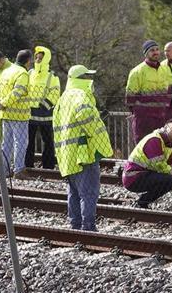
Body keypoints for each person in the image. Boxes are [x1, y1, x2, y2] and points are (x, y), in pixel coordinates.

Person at [53, 65, 113, 231]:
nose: (90, 79)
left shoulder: (64, 97)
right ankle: (88, 227)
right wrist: (94, 133)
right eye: (87, 76)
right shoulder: (80, 94)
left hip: (67, 153)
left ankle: (75, 225)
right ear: (81, 78)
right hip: (83, 152)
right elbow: (84, 114)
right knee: (89, 192)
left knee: (74, 192)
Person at [122, 119, 172, 208]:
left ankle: (142, 202)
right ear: (166, 127)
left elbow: (171, 170)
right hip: (132, 177)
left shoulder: (169, 145)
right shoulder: (155, 140)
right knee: (169, 180)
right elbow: (161, 167)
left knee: (170, 179)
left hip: (143, 175)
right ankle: (142, 202)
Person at [0, 49, 33, 178]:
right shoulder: (23, 73)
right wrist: (4, 103)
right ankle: (19, 170)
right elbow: (17, 93)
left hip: (5, 114)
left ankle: (4, 170)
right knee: (21, 142)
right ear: (28, 61)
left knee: (7, 143)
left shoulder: (7, 71)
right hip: (19, 114)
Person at [125, 40, 171, 143]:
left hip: (161, 117)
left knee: (161, 147)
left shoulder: (164, 70)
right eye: (152, 50)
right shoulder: (137, 71)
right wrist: (139, 112)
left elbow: (167, 93)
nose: (155, 52)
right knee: (143, 148)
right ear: (146, 54)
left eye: (157, 49)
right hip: (144, 119)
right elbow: (130, 98)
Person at [25, 46, 60, 170]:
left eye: (41, 57)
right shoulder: (29, 73)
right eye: (37, 57)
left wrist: (44, 105)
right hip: (30, 113)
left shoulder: (52, 76)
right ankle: (27, 165)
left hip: (46, 114)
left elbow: (55, 93)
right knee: (28, 142)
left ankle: (48, 166)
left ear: (46, 59)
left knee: (48, 142)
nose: (38, 60)